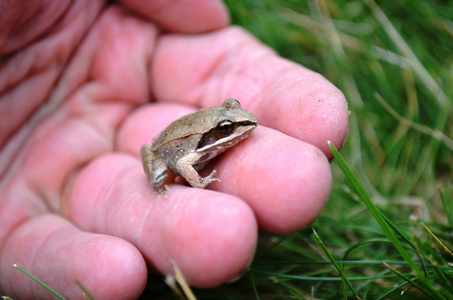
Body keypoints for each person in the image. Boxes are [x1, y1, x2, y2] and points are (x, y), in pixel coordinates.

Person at [0, 1, 349, 299]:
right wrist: (198, 183)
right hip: (166, 148)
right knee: (157, 182)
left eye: (230, 120)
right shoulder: (193, 153)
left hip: (184, 131)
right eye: (228, 128)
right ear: (218, 133)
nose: (238, 126)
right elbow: (182, 159)